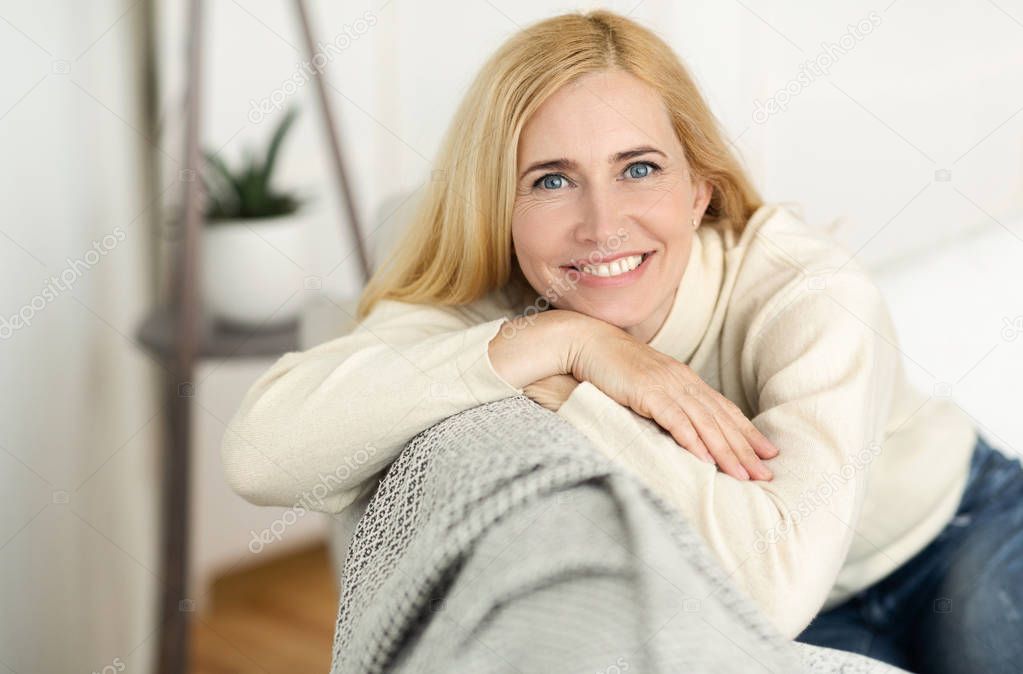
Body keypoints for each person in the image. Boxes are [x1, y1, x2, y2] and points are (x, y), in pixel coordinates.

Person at [220, 10, 1022, 673]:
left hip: (954, 531)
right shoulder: (504, 303)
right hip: (820, 606)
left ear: (698, 188)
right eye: (551, 180)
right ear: (498, 204)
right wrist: (562, 341)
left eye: (638, 168)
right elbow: (262, 452)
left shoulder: (808, 293)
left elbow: (775, 580)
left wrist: (574, 390)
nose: (602, 224)